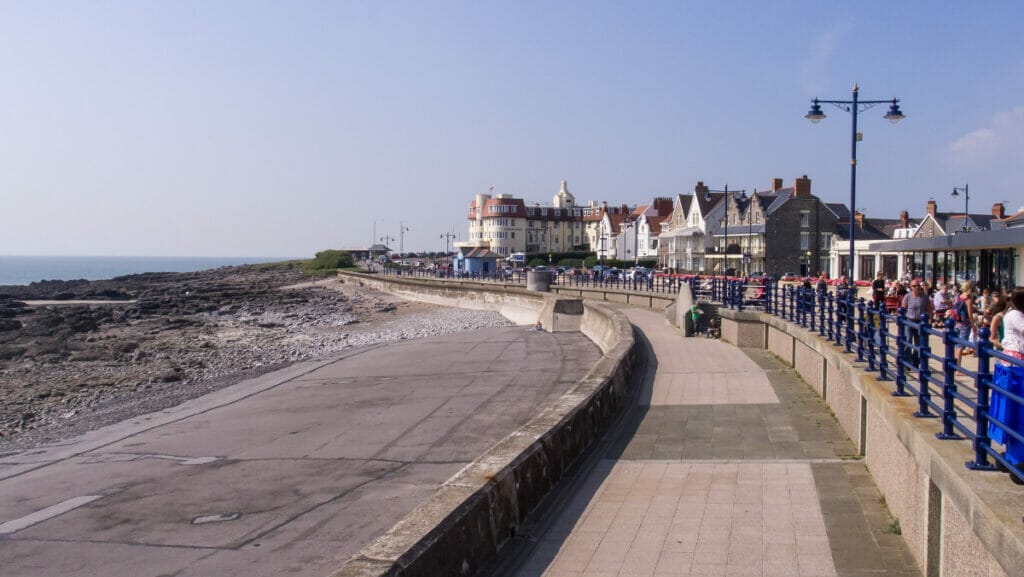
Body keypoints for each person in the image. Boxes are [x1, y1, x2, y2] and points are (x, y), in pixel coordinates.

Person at [901, 279, 933, 363]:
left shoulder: (924, 297)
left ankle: (915, 361)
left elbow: (929, 309)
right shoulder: (908, 296)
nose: (916, 287)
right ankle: (907, 361)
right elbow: (903, 308)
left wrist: (930, 320)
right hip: (909, 321)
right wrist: (902, 320)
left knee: (918, 343)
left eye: (918, 285)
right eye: (914, 286)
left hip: (920, 322)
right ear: (911, 287)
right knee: (908, 340)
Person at [953, 281, 978, 367]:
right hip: (965, 325)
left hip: (957, 323)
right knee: (961, 346)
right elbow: (970, 315)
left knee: (957, 345)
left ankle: (955, 365)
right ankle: (958, 368)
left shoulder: (958, 297)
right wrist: (974, 326)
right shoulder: (968, 300)